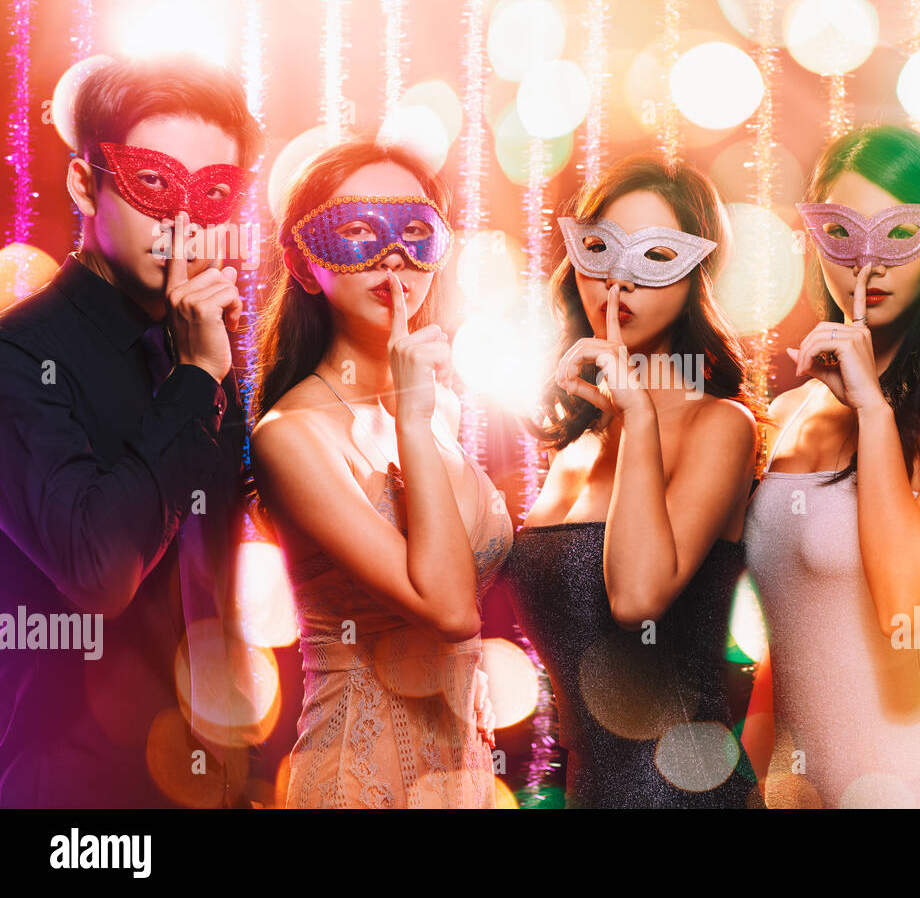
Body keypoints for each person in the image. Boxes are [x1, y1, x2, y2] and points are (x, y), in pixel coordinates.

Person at [0, 55, 259, 806]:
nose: (183, 222)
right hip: (74, 797)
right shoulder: (19, 358)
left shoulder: (204, 346)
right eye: (153, 183)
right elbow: (101, 573)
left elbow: (220, 577)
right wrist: (193, 382)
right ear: (86, 183)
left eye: (213, 193)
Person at [742, 125, 920, 808]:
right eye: (842, 234)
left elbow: (905, 608)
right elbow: (787, 646)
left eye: (897, 236)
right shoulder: (786, 413)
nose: (869, 267)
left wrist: (871, 409)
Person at [250, 139, 510, 808]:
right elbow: (452, 610)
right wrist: (412, 421)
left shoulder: (443, 406)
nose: (391, 255)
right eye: (358, 231)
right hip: (356, 778)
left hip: (465, 775)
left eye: (414, 231)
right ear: (306, 268)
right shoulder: (291, 436)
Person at [501, 155, 764, 808]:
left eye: (653, 257)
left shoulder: (721, 426)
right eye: (600, 249)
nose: (618, 281)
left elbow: (636, 600)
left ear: (694, 275)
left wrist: (641, 417)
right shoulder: (573, 447)